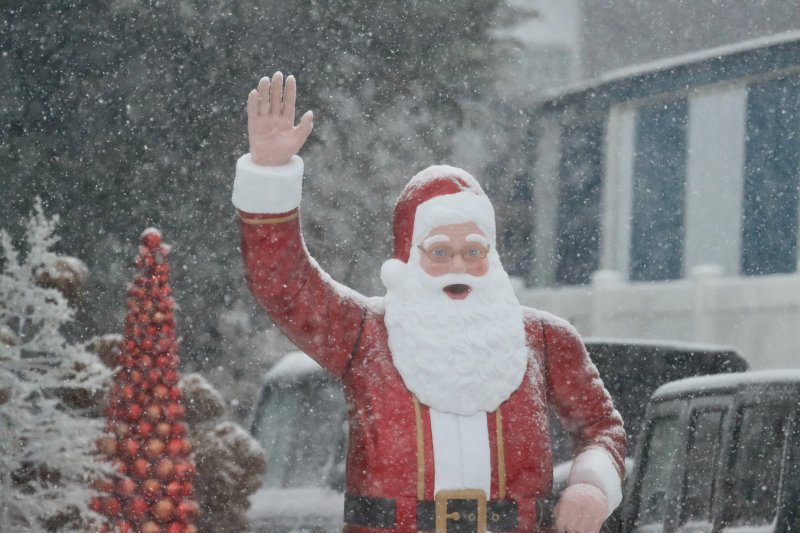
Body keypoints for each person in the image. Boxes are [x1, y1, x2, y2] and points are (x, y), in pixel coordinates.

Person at [231, 72, 626, 533]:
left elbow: (602, 427)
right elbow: (282, 283)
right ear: (407, 259)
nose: (459, 265)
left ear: (492, 257)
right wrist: (270, 174)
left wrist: (591, 485)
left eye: (473, 251)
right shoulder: (364, 334)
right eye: (439, 252)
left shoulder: (544, 340)